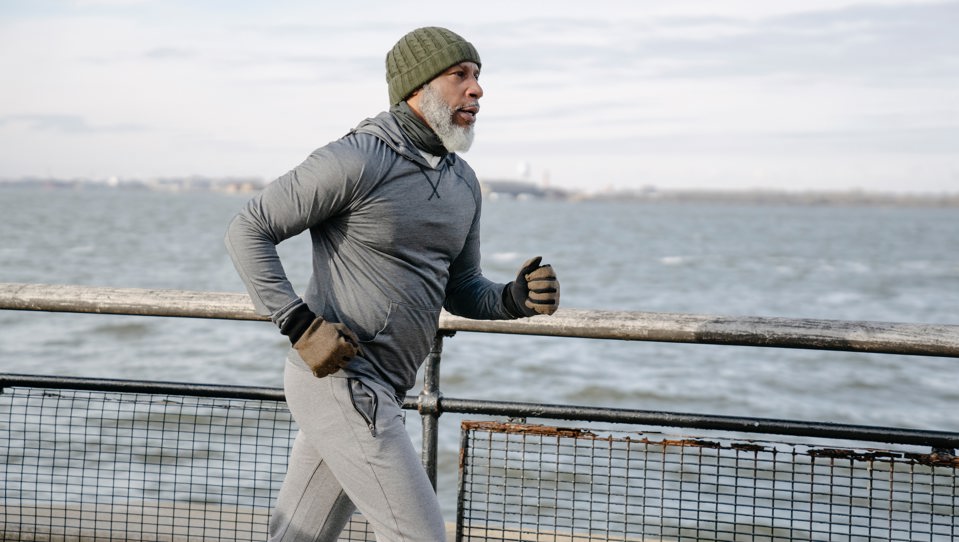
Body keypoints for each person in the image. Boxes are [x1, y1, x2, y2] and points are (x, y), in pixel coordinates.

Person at [225, 26, 560, 541]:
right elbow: (248, 229)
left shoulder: (462, 181)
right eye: (460, 76)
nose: (477, 90)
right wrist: (297, 323)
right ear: (417, 87)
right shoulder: (357, 159)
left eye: (478, 77)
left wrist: (514, 298)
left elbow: (462, 285)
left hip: (385, 387)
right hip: (343, 382)